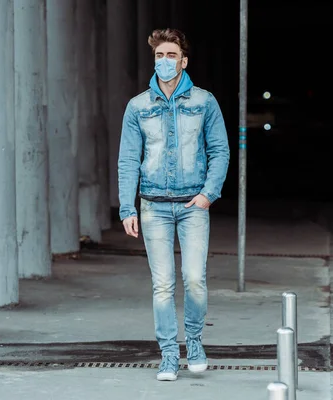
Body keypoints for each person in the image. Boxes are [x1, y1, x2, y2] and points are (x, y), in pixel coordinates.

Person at [117, 28, 230, 381]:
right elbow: (127, 159)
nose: (164, 62)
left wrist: (208, 194)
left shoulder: (204, 101)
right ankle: (168, 355)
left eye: (170, 56)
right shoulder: (138, 106)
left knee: (194, 279)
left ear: (183, 61)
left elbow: (220, 151)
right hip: (154, 207)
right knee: (163, 284)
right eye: (158, 57)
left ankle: (194, 342)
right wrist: (127, 207)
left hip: (193, 204)